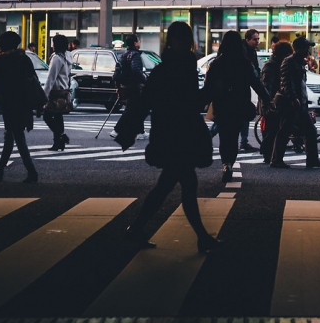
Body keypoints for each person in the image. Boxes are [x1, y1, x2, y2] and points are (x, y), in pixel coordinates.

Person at [114, 21, 220, 253]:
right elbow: (190, 101)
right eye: (182, 39)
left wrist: (129, 128)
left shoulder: (169, 67)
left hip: (170, 133)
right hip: (179, 135)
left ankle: (138, 230)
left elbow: (148, 100)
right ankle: (201, 237)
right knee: (184, 184)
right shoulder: (177, 68)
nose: (184, 44)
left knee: (169, 185)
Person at [204, 30, 271, 182]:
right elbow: (257, 83)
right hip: (239, 104)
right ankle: (230, 163)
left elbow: (208, 86)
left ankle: (225, 163)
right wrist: (267, 99)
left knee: (224, 136)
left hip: (222, 105)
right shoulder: (244, 63)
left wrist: (201, 102)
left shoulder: (217, 63)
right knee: (234, 136)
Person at [0, 31, 39, 183]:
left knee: (17, 138)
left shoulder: (2, 61)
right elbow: (34, 81)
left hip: (9, 103)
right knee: (11, 136)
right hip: (23, 103)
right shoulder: (24, 59)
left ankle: (31, 171)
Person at [270, 37, 320, 169]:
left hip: (299, 103)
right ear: (297, 49)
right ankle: (276, 160)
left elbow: (301, 84)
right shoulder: (289, 61)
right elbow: (286, 82)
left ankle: (312, 159)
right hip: (290, 103)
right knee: (285, 131)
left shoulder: (300, 62)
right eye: (305, 47)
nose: (307, 50)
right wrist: (293, 98)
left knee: (310, 131)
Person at [260, 41, 293, 164]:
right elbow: (266, 86)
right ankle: (268, 155)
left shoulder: (279, 64)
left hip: (277, 102)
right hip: (272, 102)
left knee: (274, 130)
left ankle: (270, 155)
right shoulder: (271, 66)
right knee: (271, 130)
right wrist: (268, 103)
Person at [43, 34, 72, 151]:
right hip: (64, 90)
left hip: (55, 91)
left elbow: (51, 78)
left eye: (53, 42)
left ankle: (60, 137)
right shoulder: (67, 56)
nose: (52, 45)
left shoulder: (56, 58)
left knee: (47, 116)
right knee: (58, 117)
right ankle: (58, 143)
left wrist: (44, 95)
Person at [240, 29, 262, 152]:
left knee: (245, 114)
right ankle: (207, 137)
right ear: (247, 39)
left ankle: (244, 142)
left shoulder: (252, 51)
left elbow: (256, 69)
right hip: (236, 89)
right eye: (254, 39)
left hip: (245, 87)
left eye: (258, 39)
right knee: (226, 119)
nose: (257, 41)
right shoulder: (242, 51)